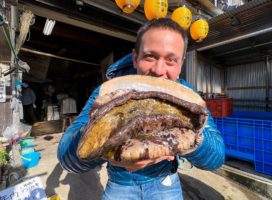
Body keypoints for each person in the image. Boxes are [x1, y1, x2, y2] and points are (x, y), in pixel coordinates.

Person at [58, 18, 225, 199]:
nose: (159, 70)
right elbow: (66, 157)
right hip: (119, 185)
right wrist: (104, 143)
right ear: (135, 57)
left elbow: (216, 157)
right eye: (150, 56)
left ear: (181, 63)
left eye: (171, 60)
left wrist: (189, 142)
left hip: (166, 182)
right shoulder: (107, 92)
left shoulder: (188, 96)